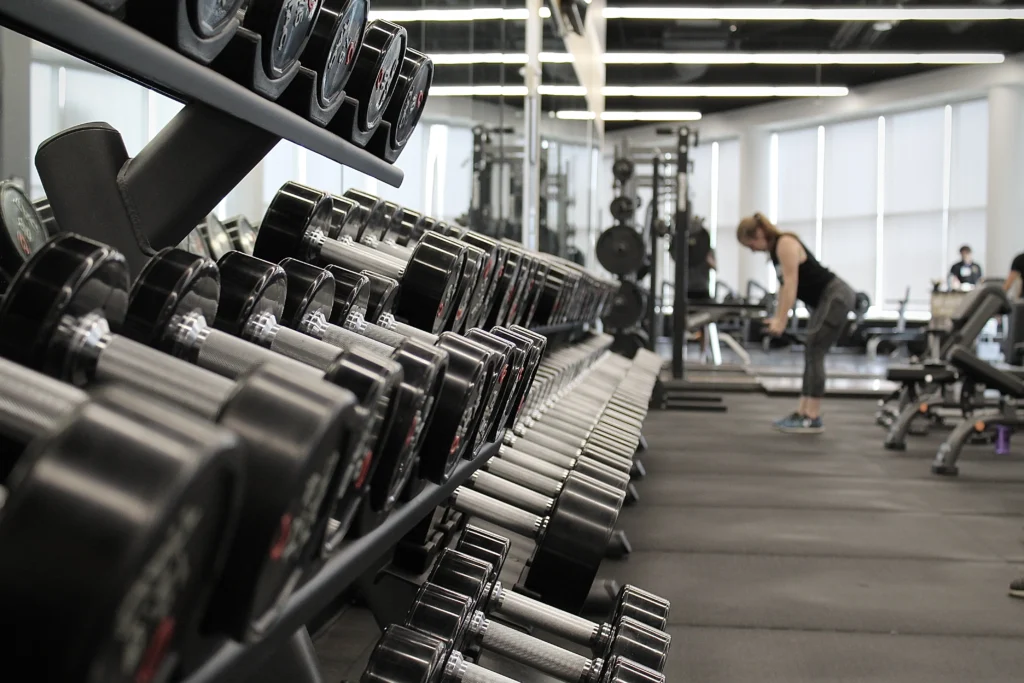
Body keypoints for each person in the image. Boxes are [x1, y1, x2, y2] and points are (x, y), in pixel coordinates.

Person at [737, 213, 857, 434]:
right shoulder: (775, 252)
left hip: (836, 296)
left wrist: (781, 321)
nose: (752, 249)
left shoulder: (785, 243)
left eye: (751, 243)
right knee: (811, 349)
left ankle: (812, 415)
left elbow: (792, 284)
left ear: (760, 233)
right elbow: (784, 288)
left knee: (815, 348)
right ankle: (803, 412)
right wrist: (777, 317)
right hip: (824, 300)